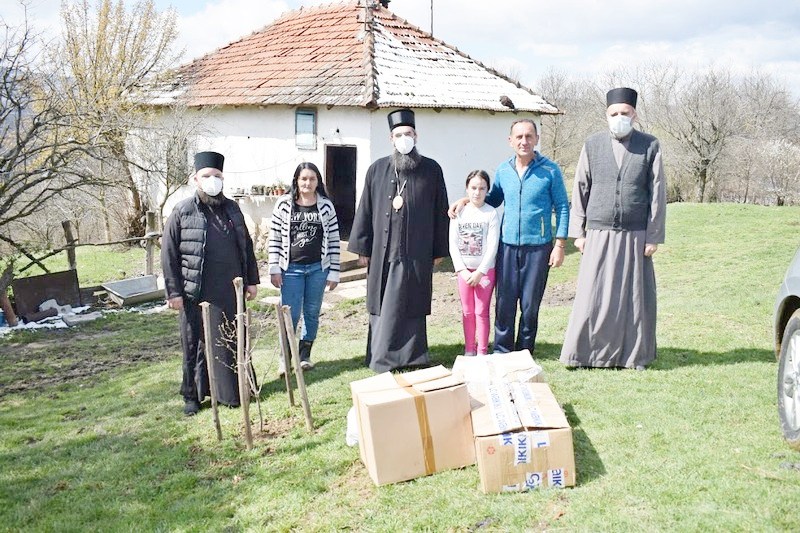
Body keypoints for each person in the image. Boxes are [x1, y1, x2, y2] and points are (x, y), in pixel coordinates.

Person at [560, 87, 666, 370]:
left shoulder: (650, 145)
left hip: (635, 234)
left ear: (635, 115)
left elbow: (657, 193)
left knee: (632, 297)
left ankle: (632, 357)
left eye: (625, 113)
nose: (620, 117)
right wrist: (578, 234)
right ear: (606, 115)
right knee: (592, 296)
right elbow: (580, 187)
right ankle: (584, 355)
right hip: (597, 232)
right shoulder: (592, 145)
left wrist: (653, 236)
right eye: (614, 113)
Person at [449, 119, 569, 353]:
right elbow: (492, 200)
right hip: (507, 247)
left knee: (529, 304)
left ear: (536, 138)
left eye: (529, 136)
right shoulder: (504, 170)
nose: (524, 141)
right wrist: (465, 200)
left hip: (538, 247)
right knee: (504, 302)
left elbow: (563, 206)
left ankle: (524, 350)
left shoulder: (550, 170)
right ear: (510, 140)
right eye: (519, 137)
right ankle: (502, 349)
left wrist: (560, 244)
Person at [348, 108, 450, 372]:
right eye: (398, 134)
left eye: (408, 133)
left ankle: (413, 356)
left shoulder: (431, 169)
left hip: (417, 252)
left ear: (416, 136)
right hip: (384, 254)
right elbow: (365, 209)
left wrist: (440, 248)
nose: (403, 138)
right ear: (391, 139)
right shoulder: (377, 170)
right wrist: (362, 247)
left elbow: (441, 212)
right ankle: (381, 356)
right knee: (383, 303)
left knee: (412, 302)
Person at [161, 151, 260, 416]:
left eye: (216, 176)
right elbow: (168, 254)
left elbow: (246, 247)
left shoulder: (232, 208)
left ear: (223, 178)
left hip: (230, 289)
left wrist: (251, 281)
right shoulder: (182, 211)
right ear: (196, 179)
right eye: (206, 176)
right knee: (194, 344)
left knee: (231, 339)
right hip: (195, 290)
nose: (212, 180)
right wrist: (174, 292)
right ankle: (192, 396)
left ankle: (233, 392)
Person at [268, 162, 340, 373]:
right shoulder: (283, 204)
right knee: (290, 314)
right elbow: (274, 237)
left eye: (312, 179)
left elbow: (334, 240)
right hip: (290, 270)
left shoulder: (326, 206)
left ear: (318, 181)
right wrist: (274, 267)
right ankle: (285, 358)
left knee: (311, 312)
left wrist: (334, 271)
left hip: (318, 269)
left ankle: (304, 356)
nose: (307, 183)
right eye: (303, 179)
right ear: (296, 181)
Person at [449, 170, 500, 356]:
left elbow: (493, 245)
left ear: (487, 190)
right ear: (466, 189)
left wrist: (481, 271)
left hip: (485, 272)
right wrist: (462, 270)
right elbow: (453, 243)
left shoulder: (491, 213)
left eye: (482, 188)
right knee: (468, 311)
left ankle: (482, 351)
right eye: (473, 188)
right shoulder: (459, 212)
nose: (477, 192)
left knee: (481, 311)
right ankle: (469, 349)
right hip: (464, 272)